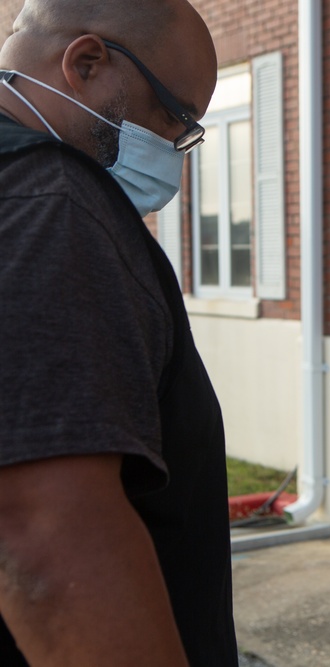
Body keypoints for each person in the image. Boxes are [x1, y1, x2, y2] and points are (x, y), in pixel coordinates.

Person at [0, 2, 237, 665]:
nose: (175, 146)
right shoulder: (51, 205)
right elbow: (42, 536)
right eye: (175, 117)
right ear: (86, 63)